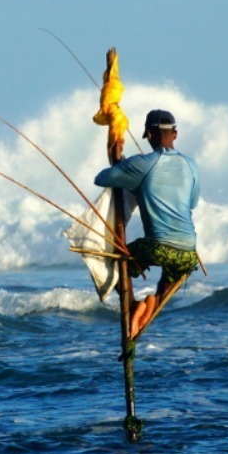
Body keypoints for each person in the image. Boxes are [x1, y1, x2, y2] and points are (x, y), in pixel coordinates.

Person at [95, 109, 200, 339]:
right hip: (188, 253)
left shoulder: (142, 164)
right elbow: (191, 204)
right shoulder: (192, 166)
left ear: (150, 136)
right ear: (175, 134)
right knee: (167, 283)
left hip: (157, 247)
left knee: (116, 261)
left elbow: (101, 178)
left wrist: (123, 166)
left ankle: (133, 306)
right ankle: (153, 302)